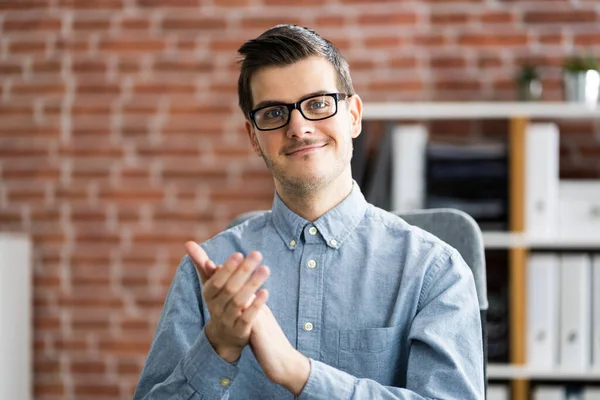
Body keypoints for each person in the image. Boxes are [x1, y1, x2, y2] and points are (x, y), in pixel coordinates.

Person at [133, 24, 484, 400]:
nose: (298, 128)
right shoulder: (206, 277)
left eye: (317, 104)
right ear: (254, 137)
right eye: (273, 113)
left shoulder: (435, 271)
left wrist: (298, 373)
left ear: (353, 116)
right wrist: (218, 346)